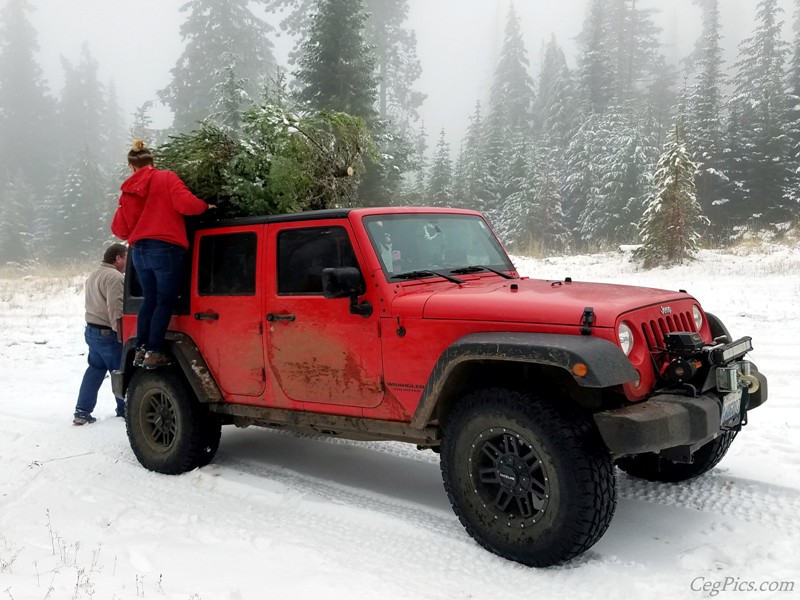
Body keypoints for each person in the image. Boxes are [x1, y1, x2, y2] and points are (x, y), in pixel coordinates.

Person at [111, 140, 214, 370]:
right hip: (165, 248)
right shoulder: (166, 178)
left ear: (132, 167)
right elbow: (187, 205)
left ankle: (141, 348)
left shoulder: (127, 191)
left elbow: (119, 229)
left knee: (150, 300)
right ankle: (155, 351)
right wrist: (205, 207)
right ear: (152, 161)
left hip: (138, 252)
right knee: (165, 300)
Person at [73, 243, 128, 425]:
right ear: (118, 258)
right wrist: (122, 333)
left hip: (91, 331)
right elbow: (116, 308)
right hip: (108, 334)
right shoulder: (115, 277)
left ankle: (82, 411)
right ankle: (125, 410)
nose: (128, 262)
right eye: (126, 257)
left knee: (95, 371)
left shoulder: (94, 274)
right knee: (121, 372)